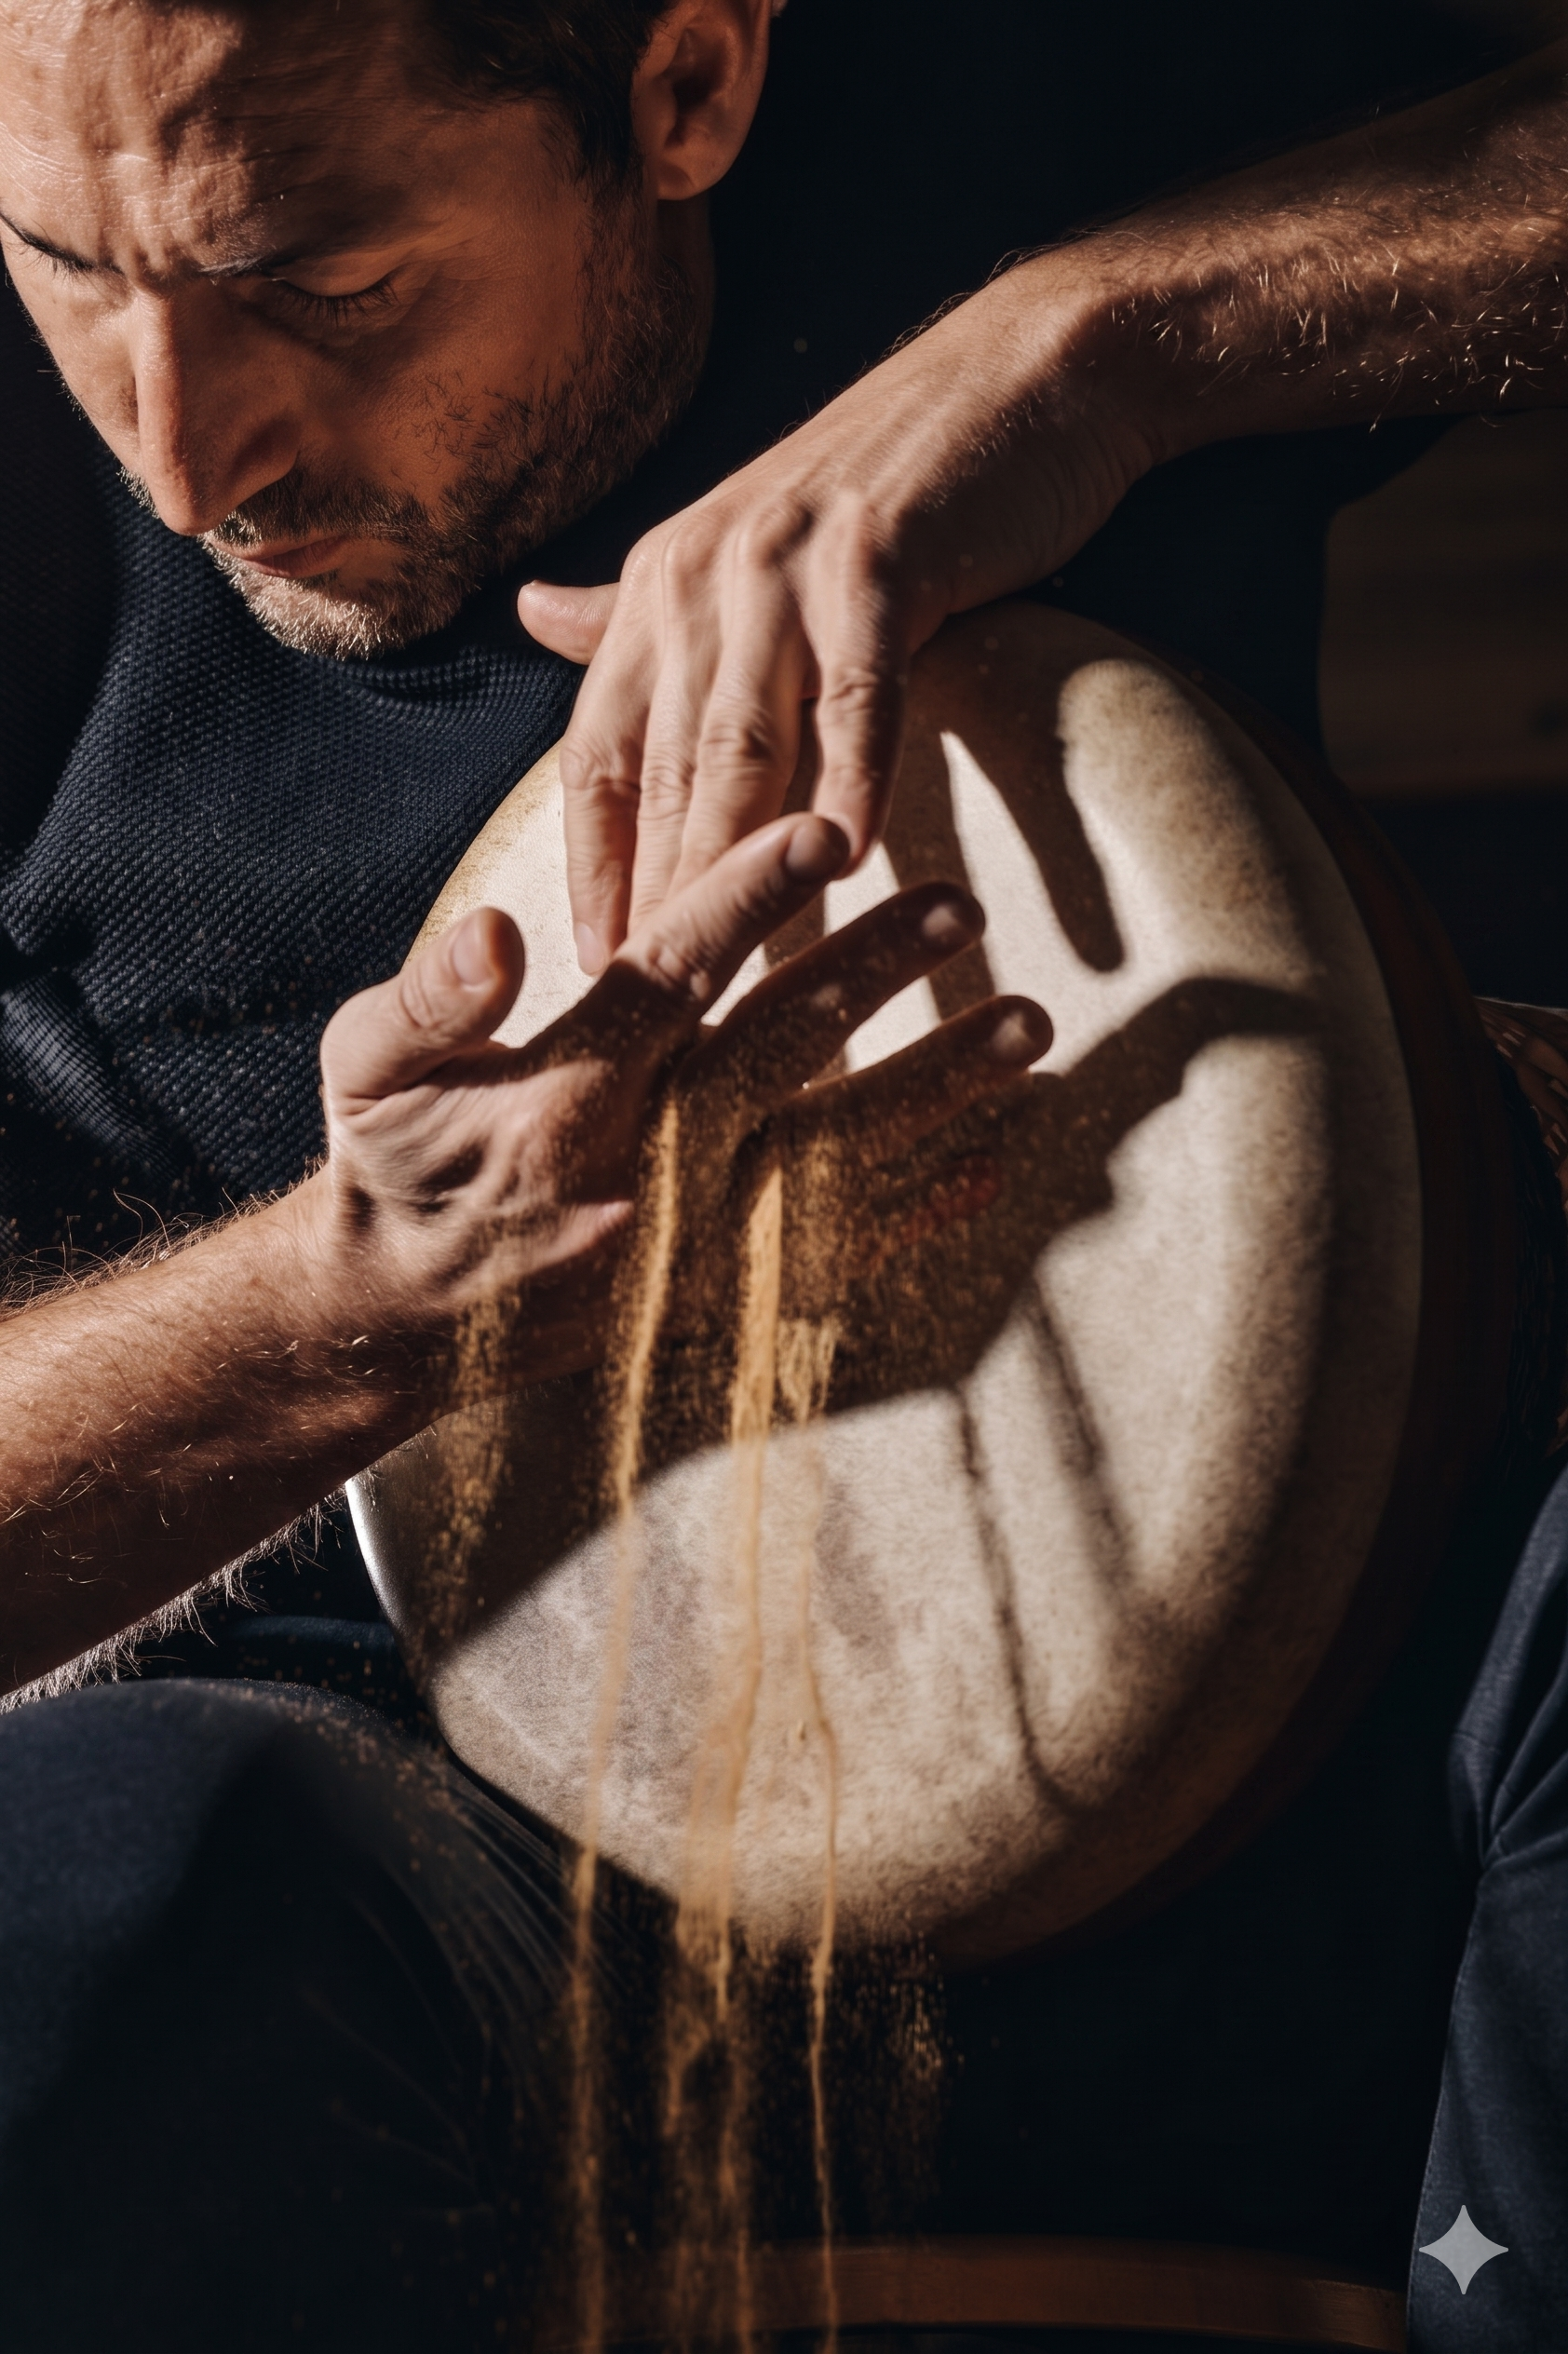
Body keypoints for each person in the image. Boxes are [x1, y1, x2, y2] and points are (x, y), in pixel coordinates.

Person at [1, 0, 1567, 2345]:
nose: (179, 453)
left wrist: (1096, 344)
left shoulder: (991, 99)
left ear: (686, 89)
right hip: (409, 1819)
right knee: (80, 1900)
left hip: (1324, 1701)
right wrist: (356, 1299)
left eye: (322, 282)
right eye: (58, 263)